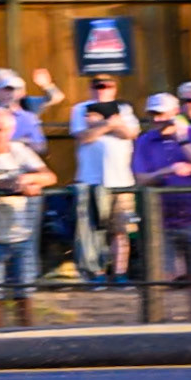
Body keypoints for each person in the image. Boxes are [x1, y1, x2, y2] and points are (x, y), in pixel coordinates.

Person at [0, 106, 55, 329]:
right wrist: (13, 185)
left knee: (25, 293)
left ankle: (27, 338)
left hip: (20, 234)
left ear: (11, 130)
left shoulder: (20, 150)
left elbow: (49, 176)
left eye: (2, 130)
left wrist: (29, 180)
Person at [132, 92, 191, 322]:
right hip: (161, 220)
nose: (157, 119)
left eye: (161, 114)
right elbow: (140, 178)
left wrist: (183, 141)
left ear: (174, 113)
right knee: (162, 276)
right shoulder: (144, 141)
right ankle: (162, 325)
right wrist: (166, 172)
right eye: (153, 115)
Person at [70, 74, 139, 286]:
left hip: (121, 181)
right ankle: (97, 275)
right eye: (97, 85)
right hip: (90, 180)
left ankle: (120, 274)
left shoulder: (125, 109)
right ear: (90, 88)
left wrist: (100, 124)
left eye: (106, 85)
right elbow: (84, 137)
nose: (101, 89)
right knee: (92, 232)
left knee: (121, 230)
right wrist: (111, 124)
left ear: (114, 88)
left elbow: (130, 132)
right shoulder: (80, 108)